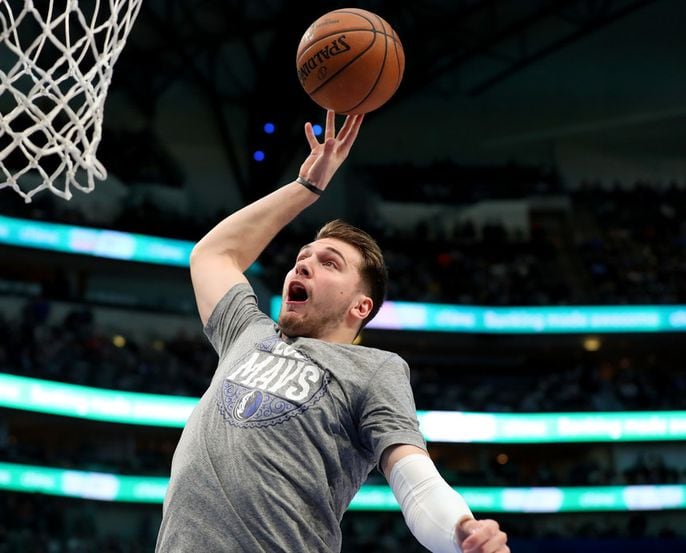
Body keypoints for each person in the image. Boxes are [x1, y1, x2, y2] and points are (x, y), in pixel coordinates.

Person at [156, 110, 509, 553]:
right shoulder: (246, 333)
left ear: (360, 306)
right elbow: (211, 255)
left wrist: (461, 532)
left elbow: (412, 477)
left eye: (329, 263)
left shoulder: (375, 368)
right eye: (304, 256)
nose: (304, 263)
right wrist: (305, 189)